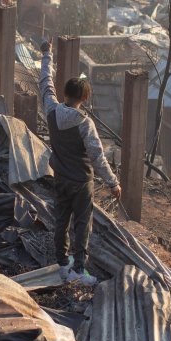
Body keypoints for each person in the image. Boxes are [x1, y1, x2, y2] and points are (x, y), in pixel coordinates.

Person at [39, 39, 121, 283]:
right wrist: (113, 183)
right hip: (82, 182)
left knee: (61, 221)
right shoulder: (85, 123)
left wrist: (47, 53)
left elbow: (45, 81)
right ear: (84, 98)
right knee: (82, 225)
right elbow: (97, 156)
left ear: (65, 93)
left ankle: (62, 265)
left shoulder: (51, 110)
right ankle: (78, 270)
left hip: (61, 178)